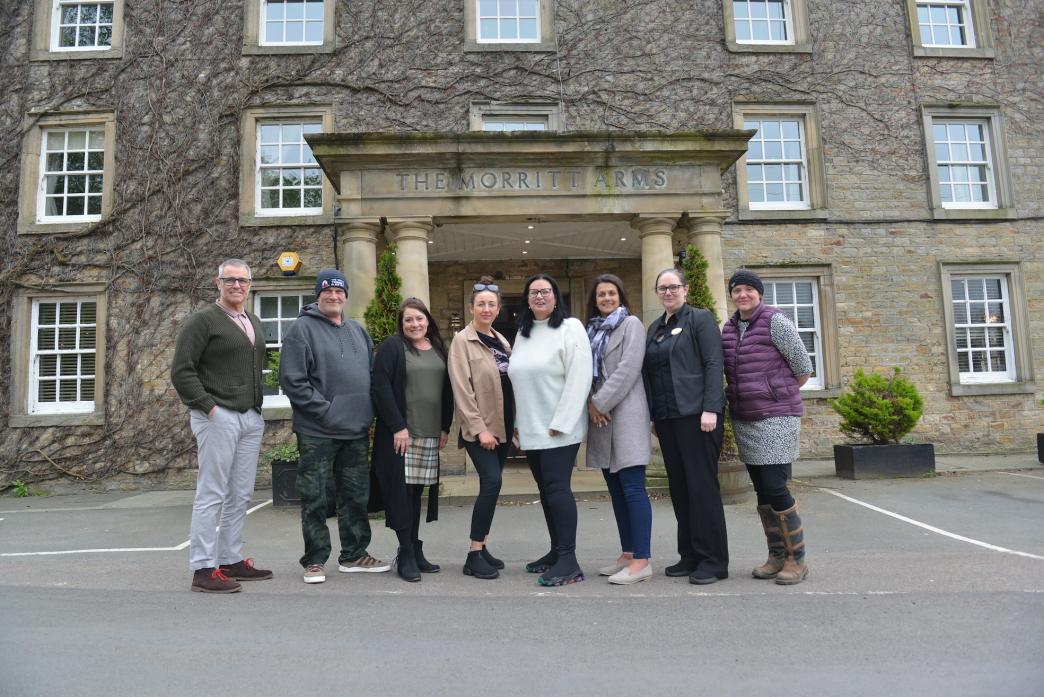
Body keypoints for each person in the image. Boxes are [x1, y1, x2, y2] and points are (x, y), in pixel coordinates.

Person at [279, 268, 390, 584]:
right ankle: (314, 560)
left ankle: (354, 554)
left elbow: (370, 377)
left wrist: (368, 411)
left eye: (339, 291)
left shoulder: (358, 331)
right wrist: (326, 411)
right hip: (318, 431)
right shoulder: (301, 330)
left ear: (345, 296)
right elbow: (293, 381)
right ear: (318, 295)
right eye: (327, 291)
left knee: (355, 496)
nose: (333, 296)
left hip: (355, 430)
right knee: (315, 497)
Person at [172, 258, 272, 593]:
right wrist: (210, 408)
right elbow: (182, 371)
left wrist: (255, 410)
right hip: (218, 416)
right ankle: (203, 569)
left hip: (249, 417)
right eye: (230, 280)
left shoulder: (253, 321)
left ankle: (230, 559)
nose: (237, 286)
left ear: (250, 284)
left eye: (242, 280)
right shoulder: (202, 321)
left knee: (240, 492)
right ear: (218, 283)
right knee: (211, 492)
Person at [722, 269, 812, 585]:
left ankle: (796, 559)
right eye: (737, 290)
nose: (742, 295)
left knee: (776, 487)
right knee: (762, 491)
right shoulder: (729, 329)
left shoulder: (776, 322)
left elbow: (803, 369)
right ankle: (776, 556)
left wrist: (774, 392)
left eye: (749, 289)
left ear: (759, 293)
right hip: (746, 418)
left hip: (776, 417)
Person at [642, 267, 728, 585]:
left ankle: (714, 560)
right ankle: (690, 555)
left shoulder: (700, 319)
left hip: (697, 418)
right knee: (680, 488)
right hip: (667, 420)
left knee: (701, 488)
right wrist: (653, 415)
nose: (668, 292)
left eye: (673, 287)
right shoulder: (655, 328)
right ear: (657, 293)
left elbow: (713, 363)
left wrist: (711, 408)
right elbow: (650, 373)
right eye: (662, 288)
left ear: (685, 289)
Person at [508, 273, 593, 586]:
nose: (539, 297)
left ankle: (569, 561)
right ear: (527, 300)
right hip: (531, 429)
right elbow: (521, 383)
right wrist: (518, 425)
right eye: (533, 293)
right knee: (546, 492)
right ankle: (557, 552)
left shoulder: (571, 328)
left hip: (559, 429)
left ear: (556, 297)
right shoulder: (524, 333)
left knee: (558, 490)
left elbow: (580, 375)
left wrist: (563, 421)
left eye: (545, 291)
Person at [371, 298, 453, 582]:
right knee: (402, 496)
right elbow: (380, 387)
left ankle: (415, 549)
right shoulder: (394, 347)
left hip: (430, 434)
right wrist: (397, 426)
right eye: (408, 320)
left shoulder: (439, 348)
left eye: (419, 318)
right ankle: (405, 553)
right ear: (401, 324)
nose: (414, 324)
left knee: (416, 495)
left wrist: (445, 427)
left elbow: (447, 391)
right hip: (403, 436)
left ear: (427, 320)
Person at [584, 274, 654, 585]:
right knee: (615, 491)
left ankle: (642, 560)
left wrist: (599, 402)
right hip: (600, 420)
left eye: (612, 293)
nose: (607, 298)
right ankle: (627, 554)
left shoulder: (632, 325)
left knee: (632, 489)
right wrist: (591, 403)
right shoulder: (590, 330)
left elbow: (628, 368)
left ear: (621, 296)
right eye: (601, 294)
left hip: (625, 415)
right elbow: (584, 371)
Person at [448, 276, 513, 580]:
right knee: (491, 482)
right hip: (482, 429)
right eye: (480, 304)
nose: (486, 309)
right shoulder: (463, 340)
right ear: (471, 307)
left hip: (502, 427)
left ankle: (483, 546)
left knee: (494, 483)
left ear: (498, 309)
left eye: (491, 304)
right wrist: (479, 428)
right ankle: (474, 554)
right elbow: (462, 389)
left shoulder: (501, 341)